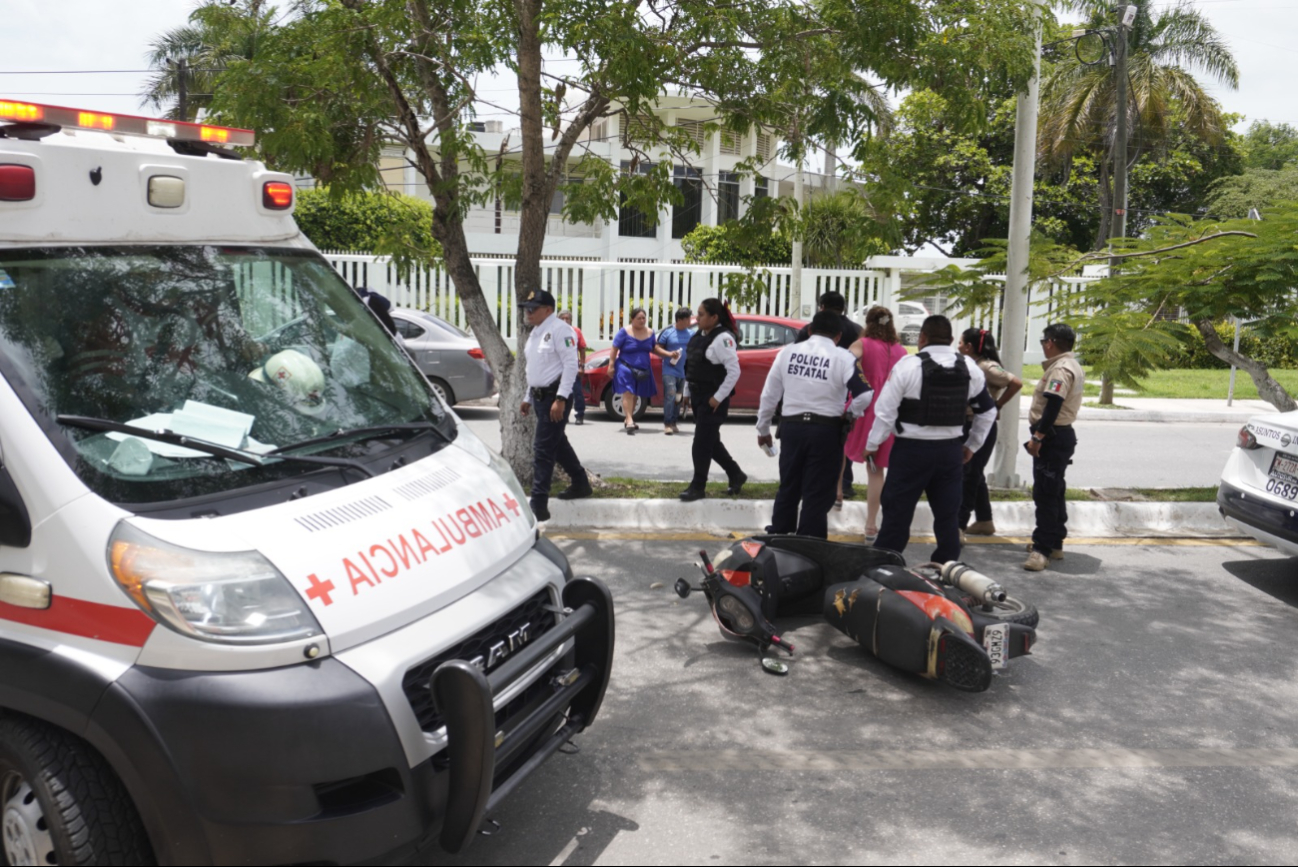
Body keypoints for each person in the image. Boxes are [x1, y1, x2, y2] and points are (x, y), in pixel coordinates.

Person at [865, 314, 997, 564]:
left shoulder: (907, 365)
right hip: (950, 453)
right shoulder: (969, 367)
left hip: (910, 453)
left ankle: (884, 566)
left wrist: (872, 446)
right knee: (947, 516)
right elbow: (988, 411)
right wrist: (972, 446)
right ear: (949, 340)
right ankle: (946, 567)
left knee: (897, 514)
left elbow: (885, 412)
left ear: (922, 338)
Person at [756, 310, 873, 538]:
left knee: (789, 484)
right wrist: (849, 414)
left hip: (792, 429)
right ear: (838, 336)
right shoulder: (843, 357)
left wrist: (763, 430)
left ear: (809, 331)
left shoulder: (787, 353)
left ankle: (779, 534)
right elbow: (864, 395)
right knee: (817, 491)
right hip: (826, 431)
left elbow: (769, 394)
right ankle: (809, 542)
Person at [518, 289, 592, 521]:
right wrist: (527, 397)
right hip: (540, 398)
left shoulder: (561, 330)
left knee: (543, 449)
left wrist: (560, 399)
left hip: (555, 397)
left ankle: (538, 504)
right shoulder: (536, 333)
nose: (528, 313)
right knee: (557, 444)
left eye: (533, 308)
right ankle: (580, 483)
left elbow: (570, 366)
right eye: (526, 309)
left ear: (547, 310)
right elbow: (536, 369)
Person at [842, 306, 908, 541]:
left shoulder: (862, 345)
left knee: (851, 453)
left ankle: (844, 499)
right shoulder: (902, 351)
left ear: (868, 323)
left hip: (868, 409)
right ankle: (874, 522)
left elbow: (843, 365)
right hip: (893, 411)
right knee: (879, 468)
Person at [1024, 323, 1085, 571]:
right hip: (1060, 434)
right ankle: (1055, 541)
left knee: (1046, 493)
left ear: (1050, 342)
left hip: (1051, 435)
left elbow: (1052, 406)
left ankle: (1042, 550)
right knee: (1055, 488)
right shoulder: (1072, 364)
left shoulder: (1060, 369)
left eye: (1042, 342)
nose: (1042, 346)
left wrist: (1038, 437)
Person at [795, 291, 863, 500]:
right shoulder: (857, 329)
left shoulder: (811, 329)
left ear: (822, 306)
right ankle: (845, 483)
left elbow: (798, 356)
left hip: (815, 388)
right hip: (848, 388)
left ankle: (811, 482)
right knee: (843, 438)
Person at [958, 327, 1023, 538]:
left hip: (980, 425)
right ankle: (985, 520)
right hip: (968, 424)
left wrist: (998, 405)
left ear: (968, 346)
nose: (958, 346)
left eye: (960, 342)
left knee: (969, 475)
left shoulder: (987, 366)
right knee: (974, 474)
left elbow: (1015, 382)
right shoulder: (974, 364)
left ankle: (959, 525)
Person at [680, 298, 747, 501]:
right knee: (711, 442)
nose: (696, 318)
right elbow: (692, 366)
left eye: (701, 314)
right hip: (698, 396)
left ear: (714, 317)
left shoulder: (723, 339)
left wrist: (717, 398)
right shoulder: (699, 336)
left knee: (701, 443)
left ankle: (698, 486)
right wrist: (686, 392)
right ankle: (736, 474)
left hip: (713, 400)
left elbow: (734, 371)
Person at [607, 307, 679, 434]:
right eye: (639, 318)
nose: (642, 320)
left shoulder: (650, 332)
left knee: (635, 394)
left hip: (642, 369)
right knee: (628, 392)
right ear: (632, 319)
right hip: (625, 366)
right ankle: (629, 420)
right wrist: (611, 365)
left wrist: (669, 354)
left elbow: (654, 349)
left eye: (643, 318)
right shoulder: (624, 331)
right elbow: (614, 348)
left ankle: (630, 418)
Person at [656, 307, 695, 435]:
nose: (690, 321)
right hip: (669, 370)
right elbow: (657, 348)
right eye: (687, 318)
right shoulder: (668, 333)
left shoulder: (691, 334)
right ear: (679, 319)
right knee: (670, 394)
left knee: (678, 397)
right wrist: (669, 354)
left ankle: (674, 421)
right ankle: (667, 423)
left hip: (683, 371)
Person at [557, 310, 588, 424]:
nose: (565, 321)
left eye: (567, 318)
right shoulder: (554, 332)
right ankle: (561, 415)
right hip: (557, 369)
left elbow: (582, 349)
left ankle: (579, 415)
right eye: (562, 318)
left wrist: (582, 366)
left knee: (577, 392)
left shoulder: (576, 332)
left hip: (572, 368)